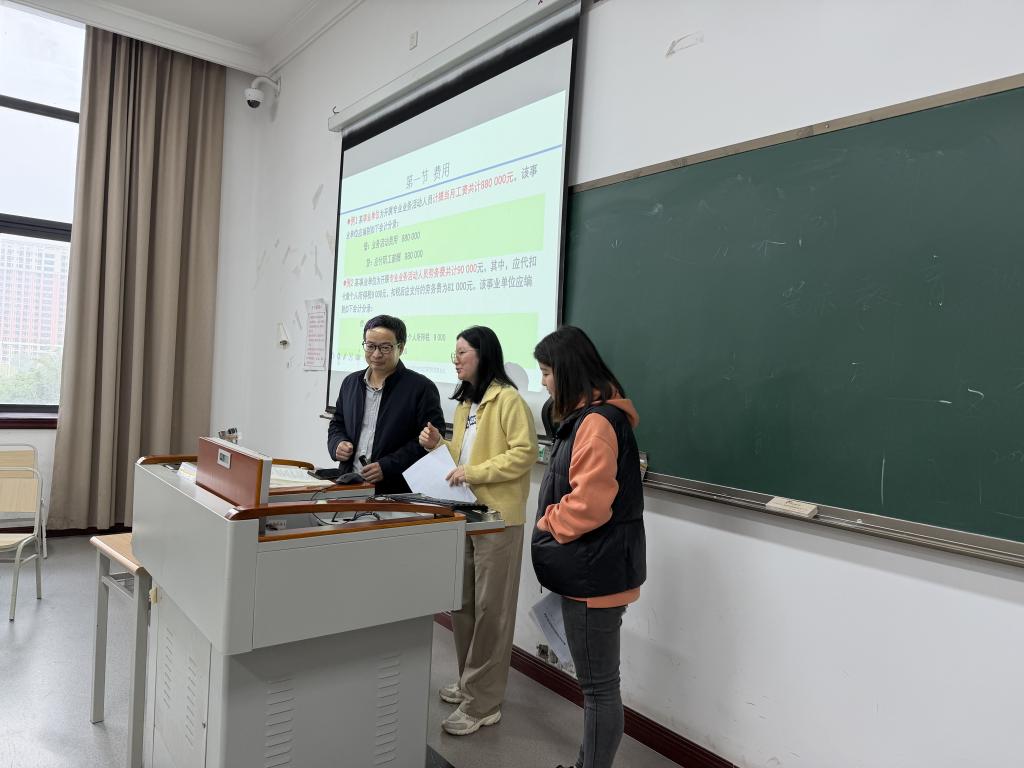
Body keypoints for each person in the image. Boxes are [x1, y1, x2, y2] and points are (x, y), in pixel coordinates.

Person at [531, 326, 645, 768]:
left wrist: (547, 524)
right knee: (598, 687)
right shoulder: (588, 417)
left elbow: (590, 505)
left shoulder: (597, 423)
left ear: (567, 372)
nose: (543, 382)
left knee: (598, 689)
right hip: (595, 568)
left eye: (546, 372)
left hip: (595, 574)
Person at [418, 326, 538, 736]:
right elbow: (462, 459)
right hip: (467, 513)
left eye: (462, 352)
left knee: (492, 612)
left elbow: (525, 453)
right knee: (464, 605)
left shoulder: (509, 400)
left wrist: (474, 471)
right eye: (454, 353)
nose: (455, 360)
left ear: (483, 355)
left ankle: (483, 703)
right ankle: (470, 681)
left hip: (498, 519)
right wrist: (439, 445)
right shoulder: (466, 403)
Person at [327, 315, 444, 494]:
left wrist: (388, 466)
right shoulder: (351, 383)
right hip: (349, 484)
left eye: (385, 347)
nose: (376, 354)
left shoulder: (421, 388)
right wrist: (337, 444)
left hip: (394, 490)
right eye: (370, 346)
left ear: (401, 348)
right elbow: (337, 423)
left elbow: (428, 442)